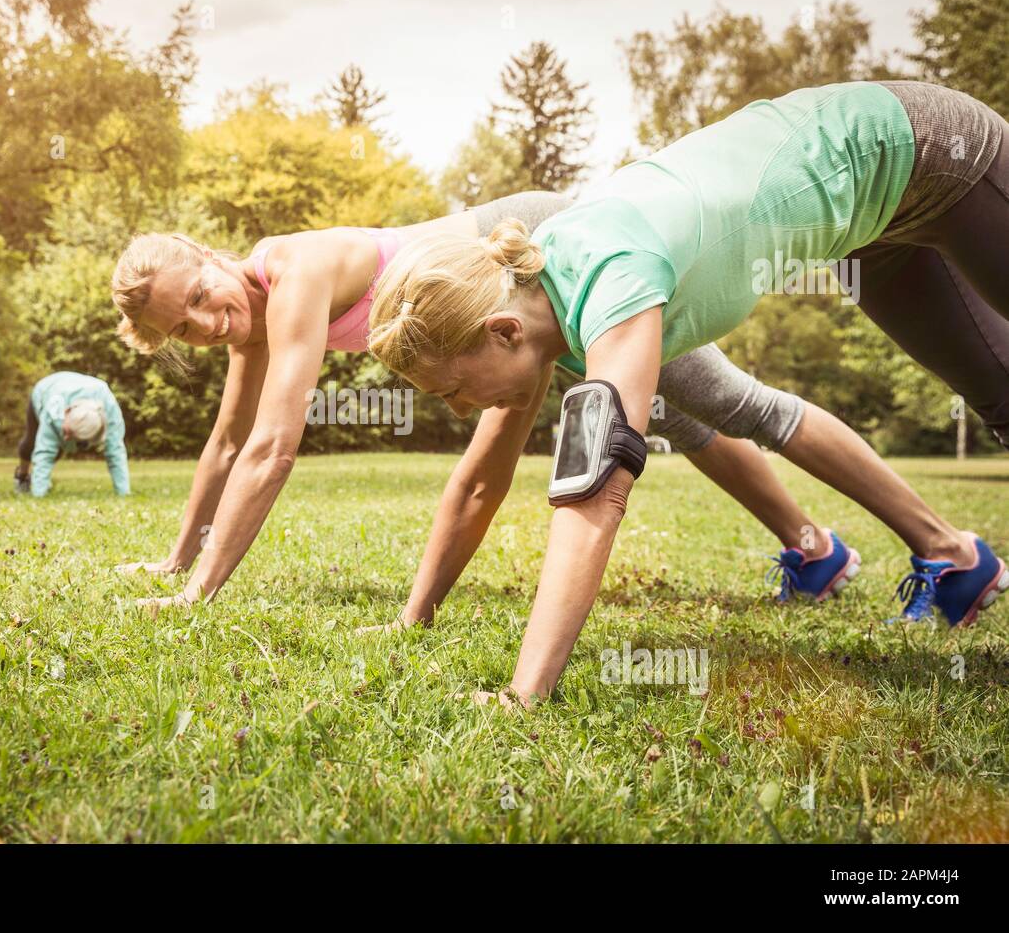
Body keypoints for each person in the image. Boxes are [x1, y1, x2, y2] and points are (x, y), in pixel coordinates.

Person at [366, 80, 1009, 706]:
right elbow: (482, 479)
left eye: (451, 389)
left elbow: (596, 492)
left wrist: (524, 693)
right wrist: (414, 616)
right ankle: (960, 563)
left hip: (923, 150)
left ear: (501, 331)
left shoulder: (609, 279)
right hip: (871, 226)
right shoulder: (542, 313)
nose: (456, 408)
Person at [107, 193, 897, 609]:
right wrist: (181, 557)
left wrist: (197, 595)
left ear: (210, 254)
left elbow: (272, 447)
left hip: (517, 259)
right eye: (185, 328)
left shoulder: (293, 273)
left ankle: (939, 549)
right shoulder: (251, 319)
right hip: (479, 321)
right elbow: (223, 445)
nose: (210, 322)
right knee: (679, 414)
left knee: (727, 402)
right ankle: (814, 551)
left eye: (202, 294)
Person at [14, 371, 131, 497]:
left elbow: (116, 452)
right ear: (67, 411)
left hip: (80, 390)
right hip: (45, 390)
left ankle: (39, 480)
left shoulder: (111, 413)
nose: (65, 438)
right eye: (65, 432)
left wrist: (124, 494)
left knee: (57, 452)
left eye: (71, 435)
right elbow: (44, 453)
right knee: (30, 444)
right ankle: (22, 475)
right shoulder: (54, 407)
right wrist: (38, 496)